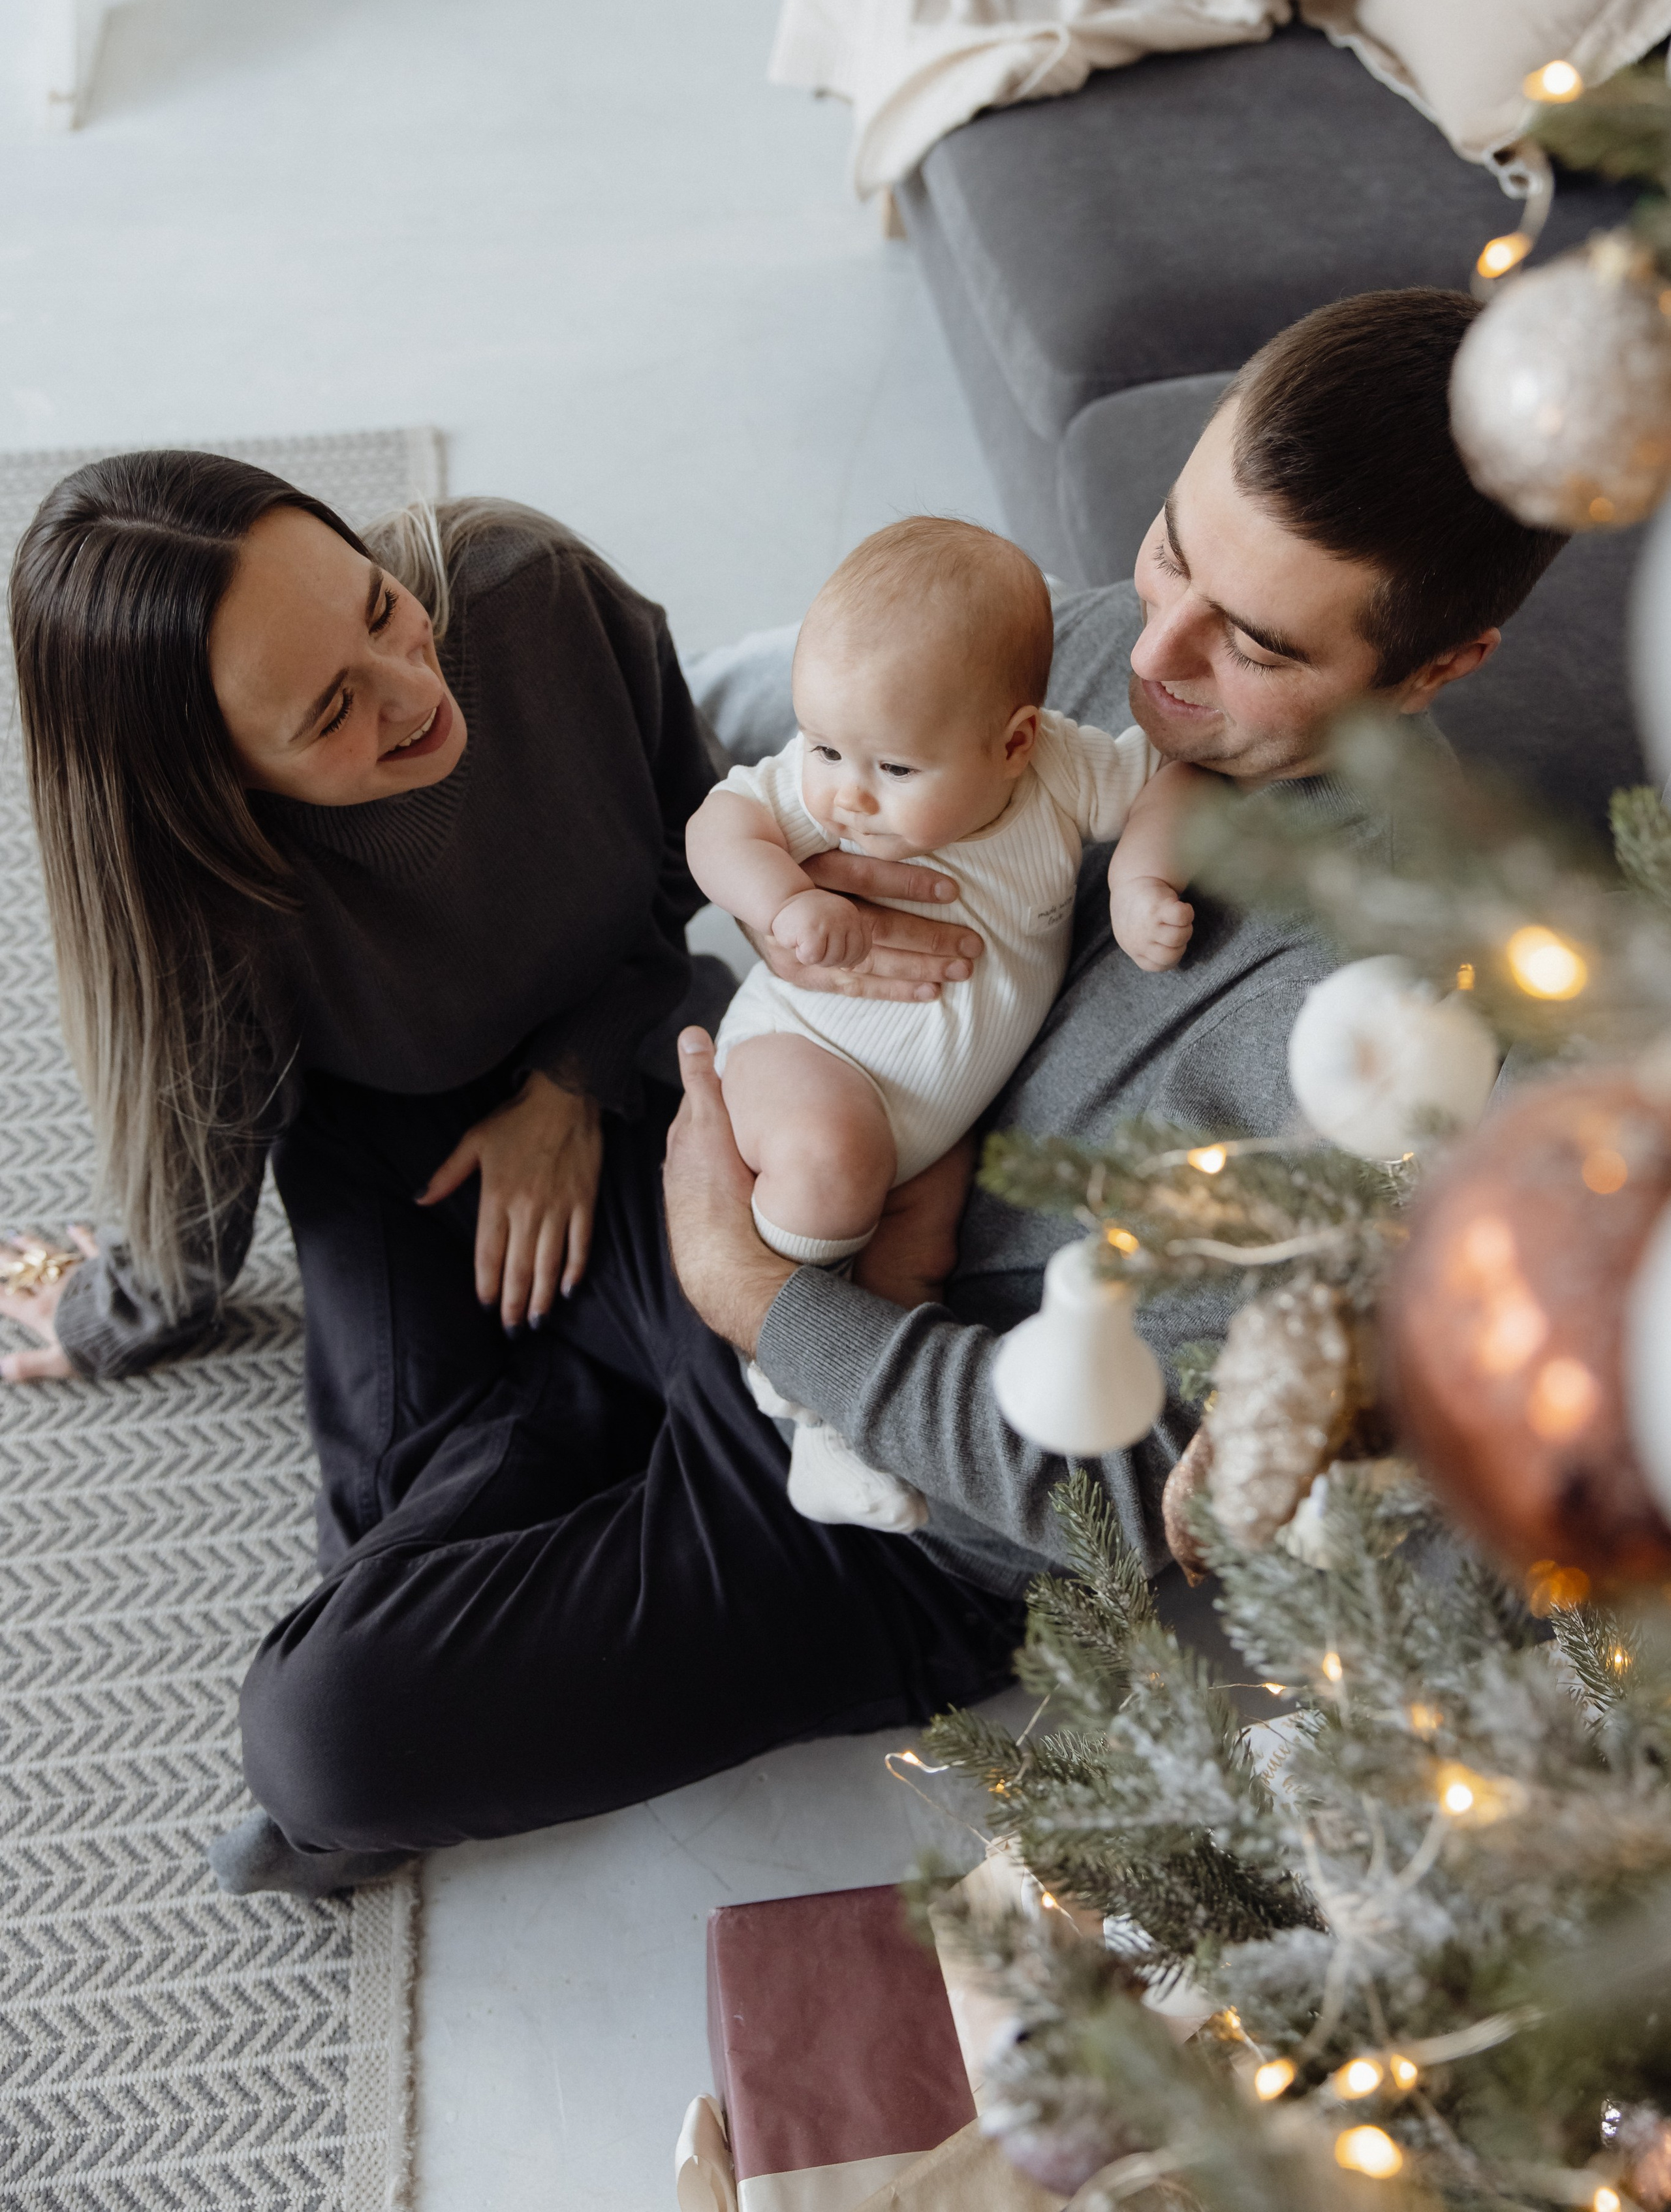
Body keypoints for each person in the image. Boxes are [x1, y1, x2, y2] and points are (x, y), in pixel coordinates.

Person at [6, 290, 1566, 1891]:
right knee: (382, 1101)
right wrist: (671, 986)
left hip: (876, 1499)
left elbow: (1133, 1499)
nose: (1150, 665)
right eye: (1172, 549)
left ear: (1441, 664)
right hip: (729, 1157)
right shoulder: (1107, 651)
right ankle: (548, 1416)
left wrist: (752, 1296)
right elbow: (774, 735)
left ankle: (532, 1434)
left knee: (322, 1734)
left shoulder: (1399, 1046)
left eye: (1253, 644)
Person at [687, 514, 1196, 1534]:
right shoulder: (816, 792)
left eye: (893, 770)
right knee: (834, 1158)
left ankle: (849, 1432)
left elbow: (1172, 778)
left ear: (1012, 742)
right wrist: (782, 902)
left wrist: (1143, 874)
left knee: (917, 1269)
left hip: (937, 1124)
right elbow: (717, 824)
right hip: (803, 1049)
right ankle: (784, 1390)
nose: (845, 794)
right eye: (825, 745)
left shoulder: (1061, 773)